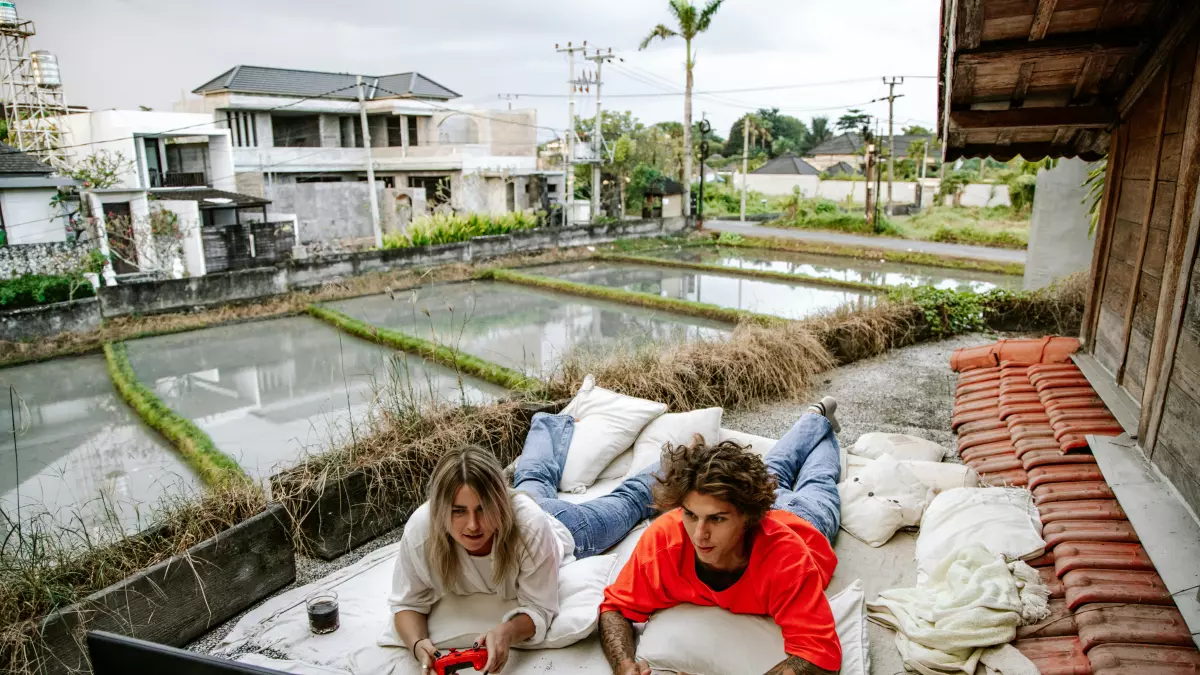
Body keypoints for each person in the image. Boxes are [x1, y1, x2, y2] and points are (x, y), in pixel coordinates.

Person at [389, 413, 658, 674]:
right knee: (533, 478)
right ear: (439, 510)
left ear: (500, 502)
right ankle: (548, 421)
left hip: (565, 525)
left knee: (630, 501)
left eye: (483, 509)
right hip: (526, 505)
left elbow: (540, 608)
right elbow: (406, 603)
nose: (473, 525)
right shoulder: (421, 531)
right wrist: (417, 644)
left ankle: (683, 457)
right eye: (458, 511)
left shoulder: (529, 525)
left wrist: (506, 633)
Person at [598, 398, 844, 675]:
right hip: (751, 499)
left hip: (806, 519)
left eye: (716, 519)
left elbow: (820, 657)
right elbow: (614, 608)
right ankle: (814, 416)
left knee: (819, 478)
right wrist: (624, 666)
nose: (699, 534)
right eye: (691, 515)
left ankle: (821, 422)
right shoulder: (664, 540)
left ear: (747, 519)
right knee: (774, 466)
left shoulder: (786, 558)